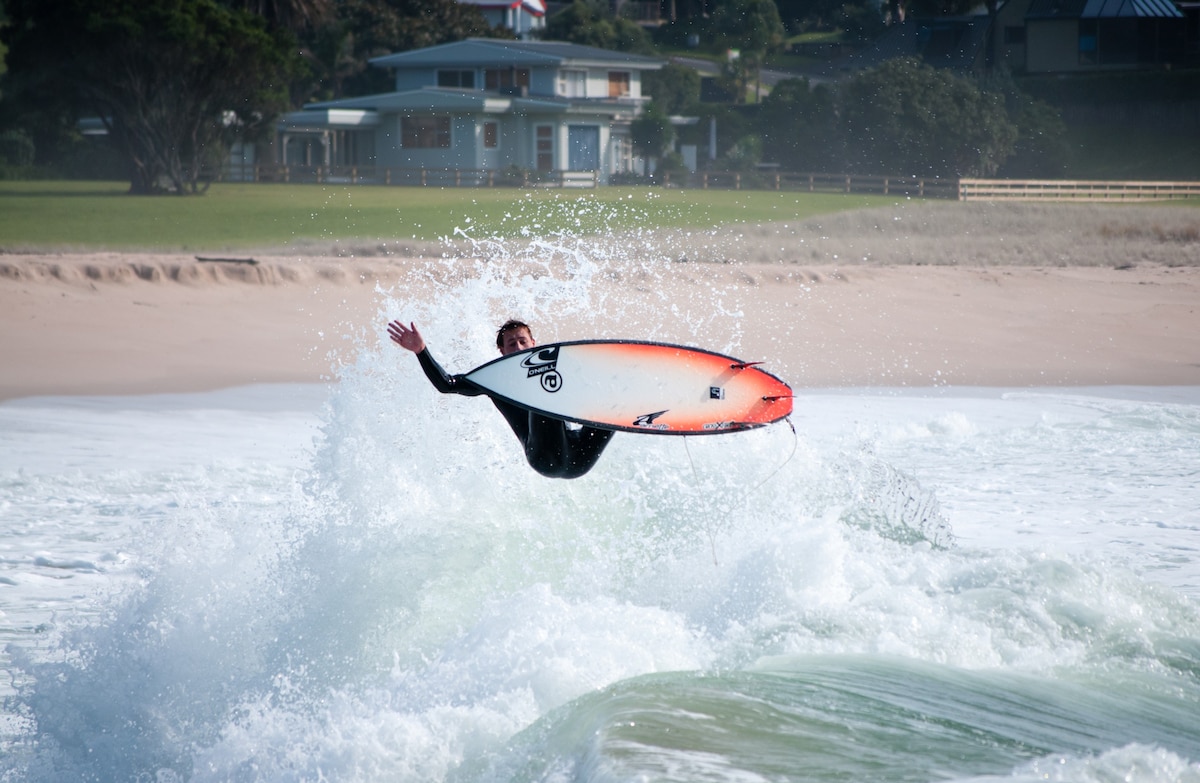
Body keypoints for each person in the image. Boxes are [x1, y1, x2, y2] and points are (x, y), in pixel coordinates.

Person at [387, 318, 614, 479]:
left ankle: (639, 407)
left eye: (523, 341)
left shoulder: (557, 370)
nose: (518, 347)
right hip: (543, 457)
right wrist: (421, 351)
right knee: (542, 392)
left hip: (579, 456)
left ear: (533, 343)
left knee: (610, 405)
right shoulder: (496, 380)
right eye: (511, 344)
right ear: (502, 351)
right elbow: (446, 385)